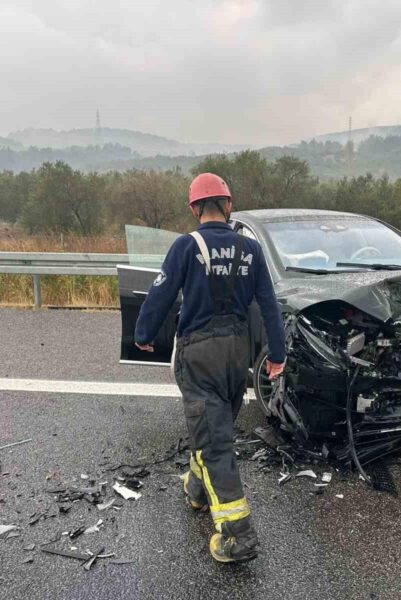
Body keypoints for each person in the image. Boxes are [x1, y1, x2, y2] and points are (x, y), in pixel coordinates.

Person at [134, 172, 286, 563]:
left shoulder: (186, 246)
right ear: (229, 205)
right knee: (215, 427)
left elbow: (161, 292)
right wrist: (277, 354)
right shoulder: (250, 249)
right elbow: (269, 305)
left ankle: (238, 536)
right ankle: (198, 489)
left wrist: (144, 332)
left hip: (199, 353)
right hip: (238, 354)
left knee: (214, 440)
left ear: (194, 208)